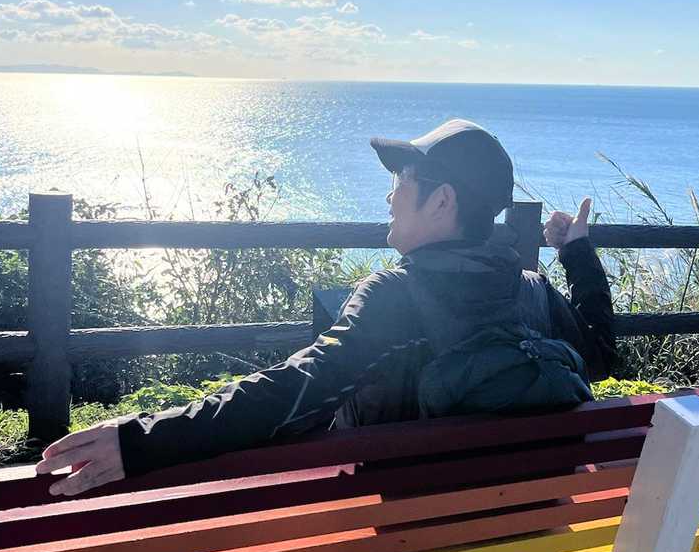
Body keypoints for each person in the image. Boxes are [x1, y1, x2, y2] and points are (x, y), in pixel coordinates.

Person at [38, 118, 617, 498]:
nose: (390, 194)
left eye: (403, 179)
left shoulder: (397, 296)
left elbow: (294, 393)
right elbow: (600, 352)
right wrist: (577, 253)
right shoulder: (533, 292)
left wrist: (143, 439)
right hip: (526, 540)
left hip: (409, 548)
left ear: (442, 201)